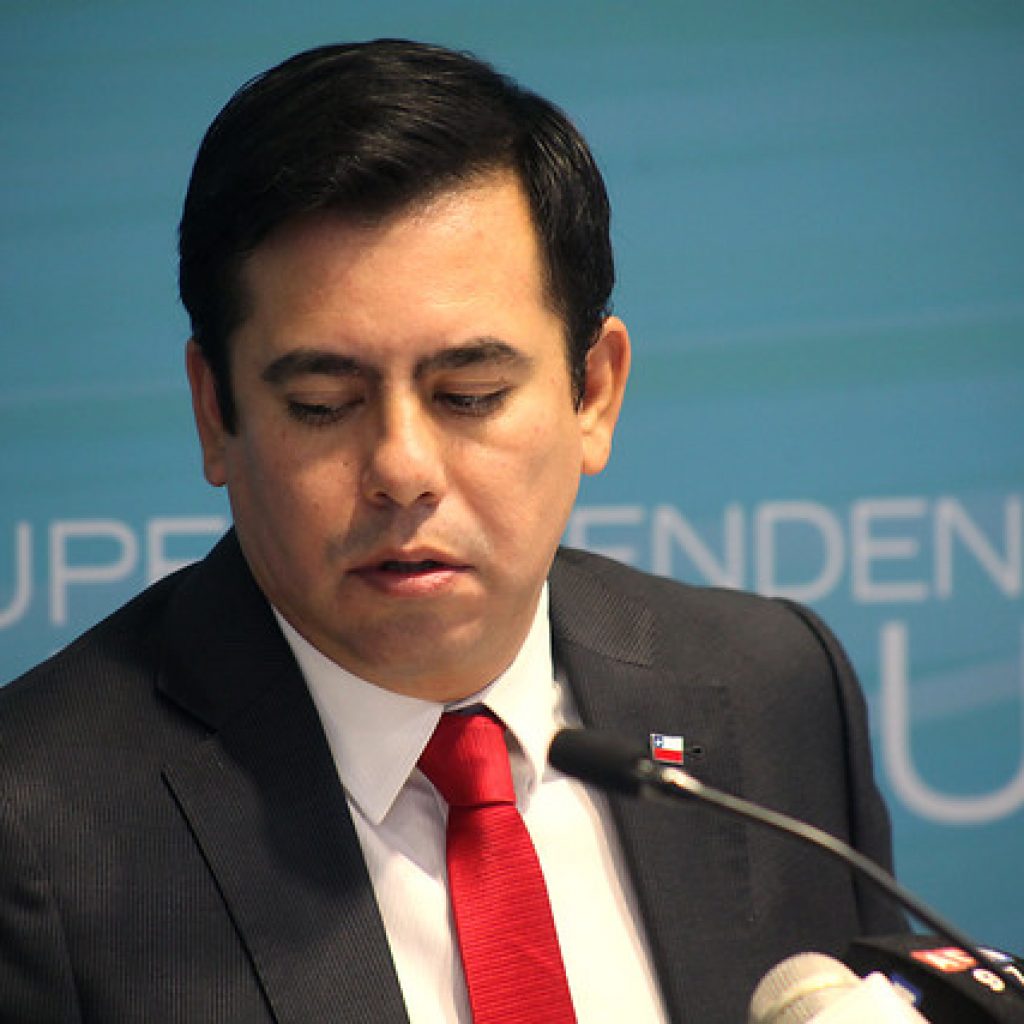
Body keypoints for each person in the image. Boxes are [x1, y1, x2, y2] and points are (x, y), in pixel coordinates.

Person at [0, 39, 904, 1023]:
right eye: (322, 404)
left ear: (592, 393)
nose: (402, 468)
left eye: (468, 394)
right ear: (215, 413)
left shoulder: (776, 692)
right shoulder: (37, 827)